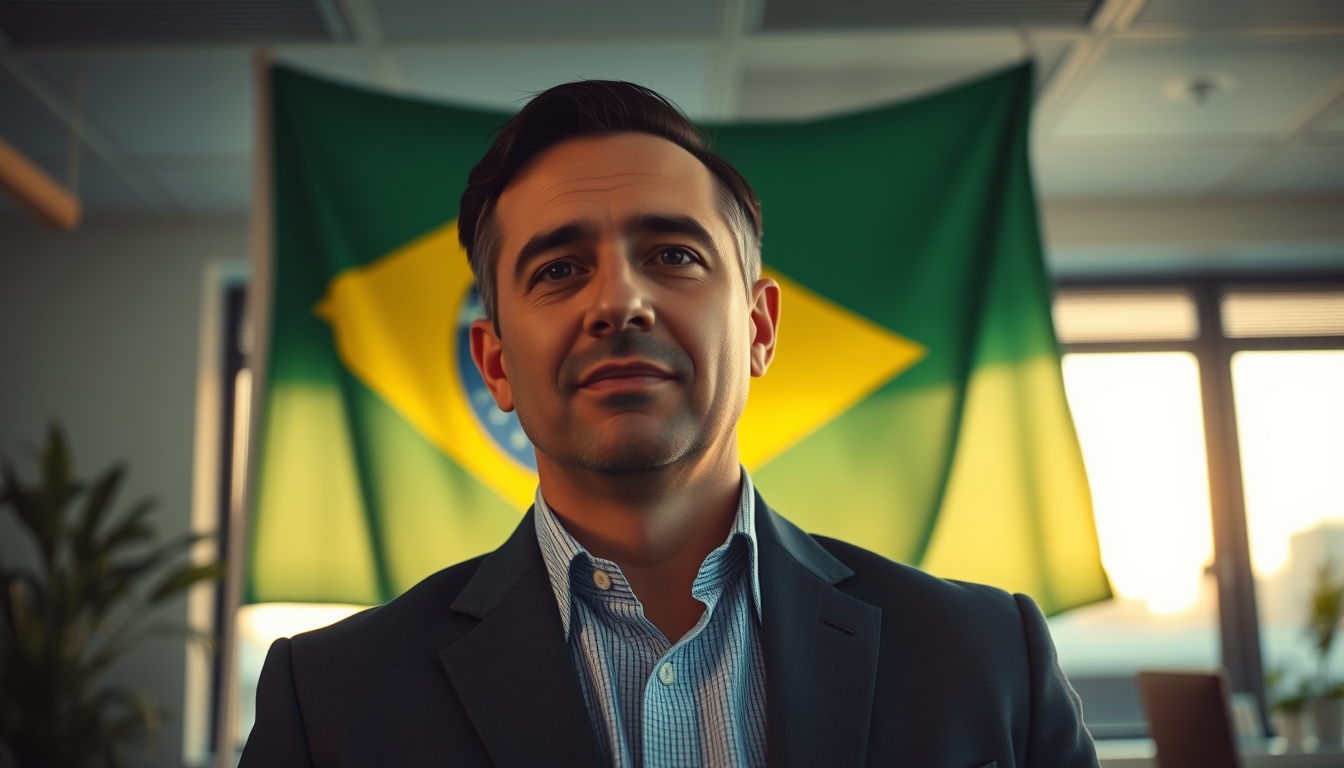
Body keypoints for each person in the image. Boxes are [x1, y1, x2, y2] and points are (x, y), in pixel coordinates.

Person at [240, 80, 1098, 768]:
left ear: (759, 328)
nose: (618, 301)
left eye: (674, 256)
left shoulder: (990, 659)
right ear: (495, 362)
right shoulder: (328, 702)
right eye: (560, 268)